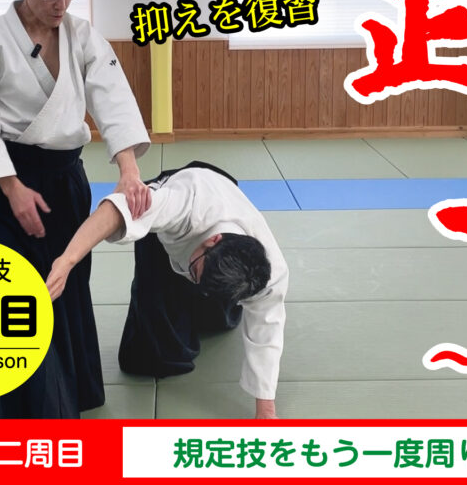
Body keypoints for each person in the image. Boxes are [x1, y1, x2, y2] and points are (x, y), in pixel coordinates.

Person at [0, 0, 152, 418]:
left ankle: (74, 391)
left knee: (70, 280)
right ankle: (21, 407)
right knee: (16, 290)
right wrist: (10, 187)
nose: (61, 4)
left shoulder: (81, 35)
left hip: (66, 178)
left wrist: (129, 170)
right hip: (9, 181)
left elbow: (112, 98)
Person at [45, 162, 288, 419]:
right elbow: (115, 210)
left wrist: (266, 410)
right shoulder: (182, 206)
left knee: (218, 319)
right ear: (212, 240)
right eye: (195, 273)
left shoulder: (269, 271)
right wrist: (68, 260)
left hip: (220, 211)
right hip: (172, 217)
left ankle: (209, 295)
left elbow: (267, 330)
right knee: (149, 357)